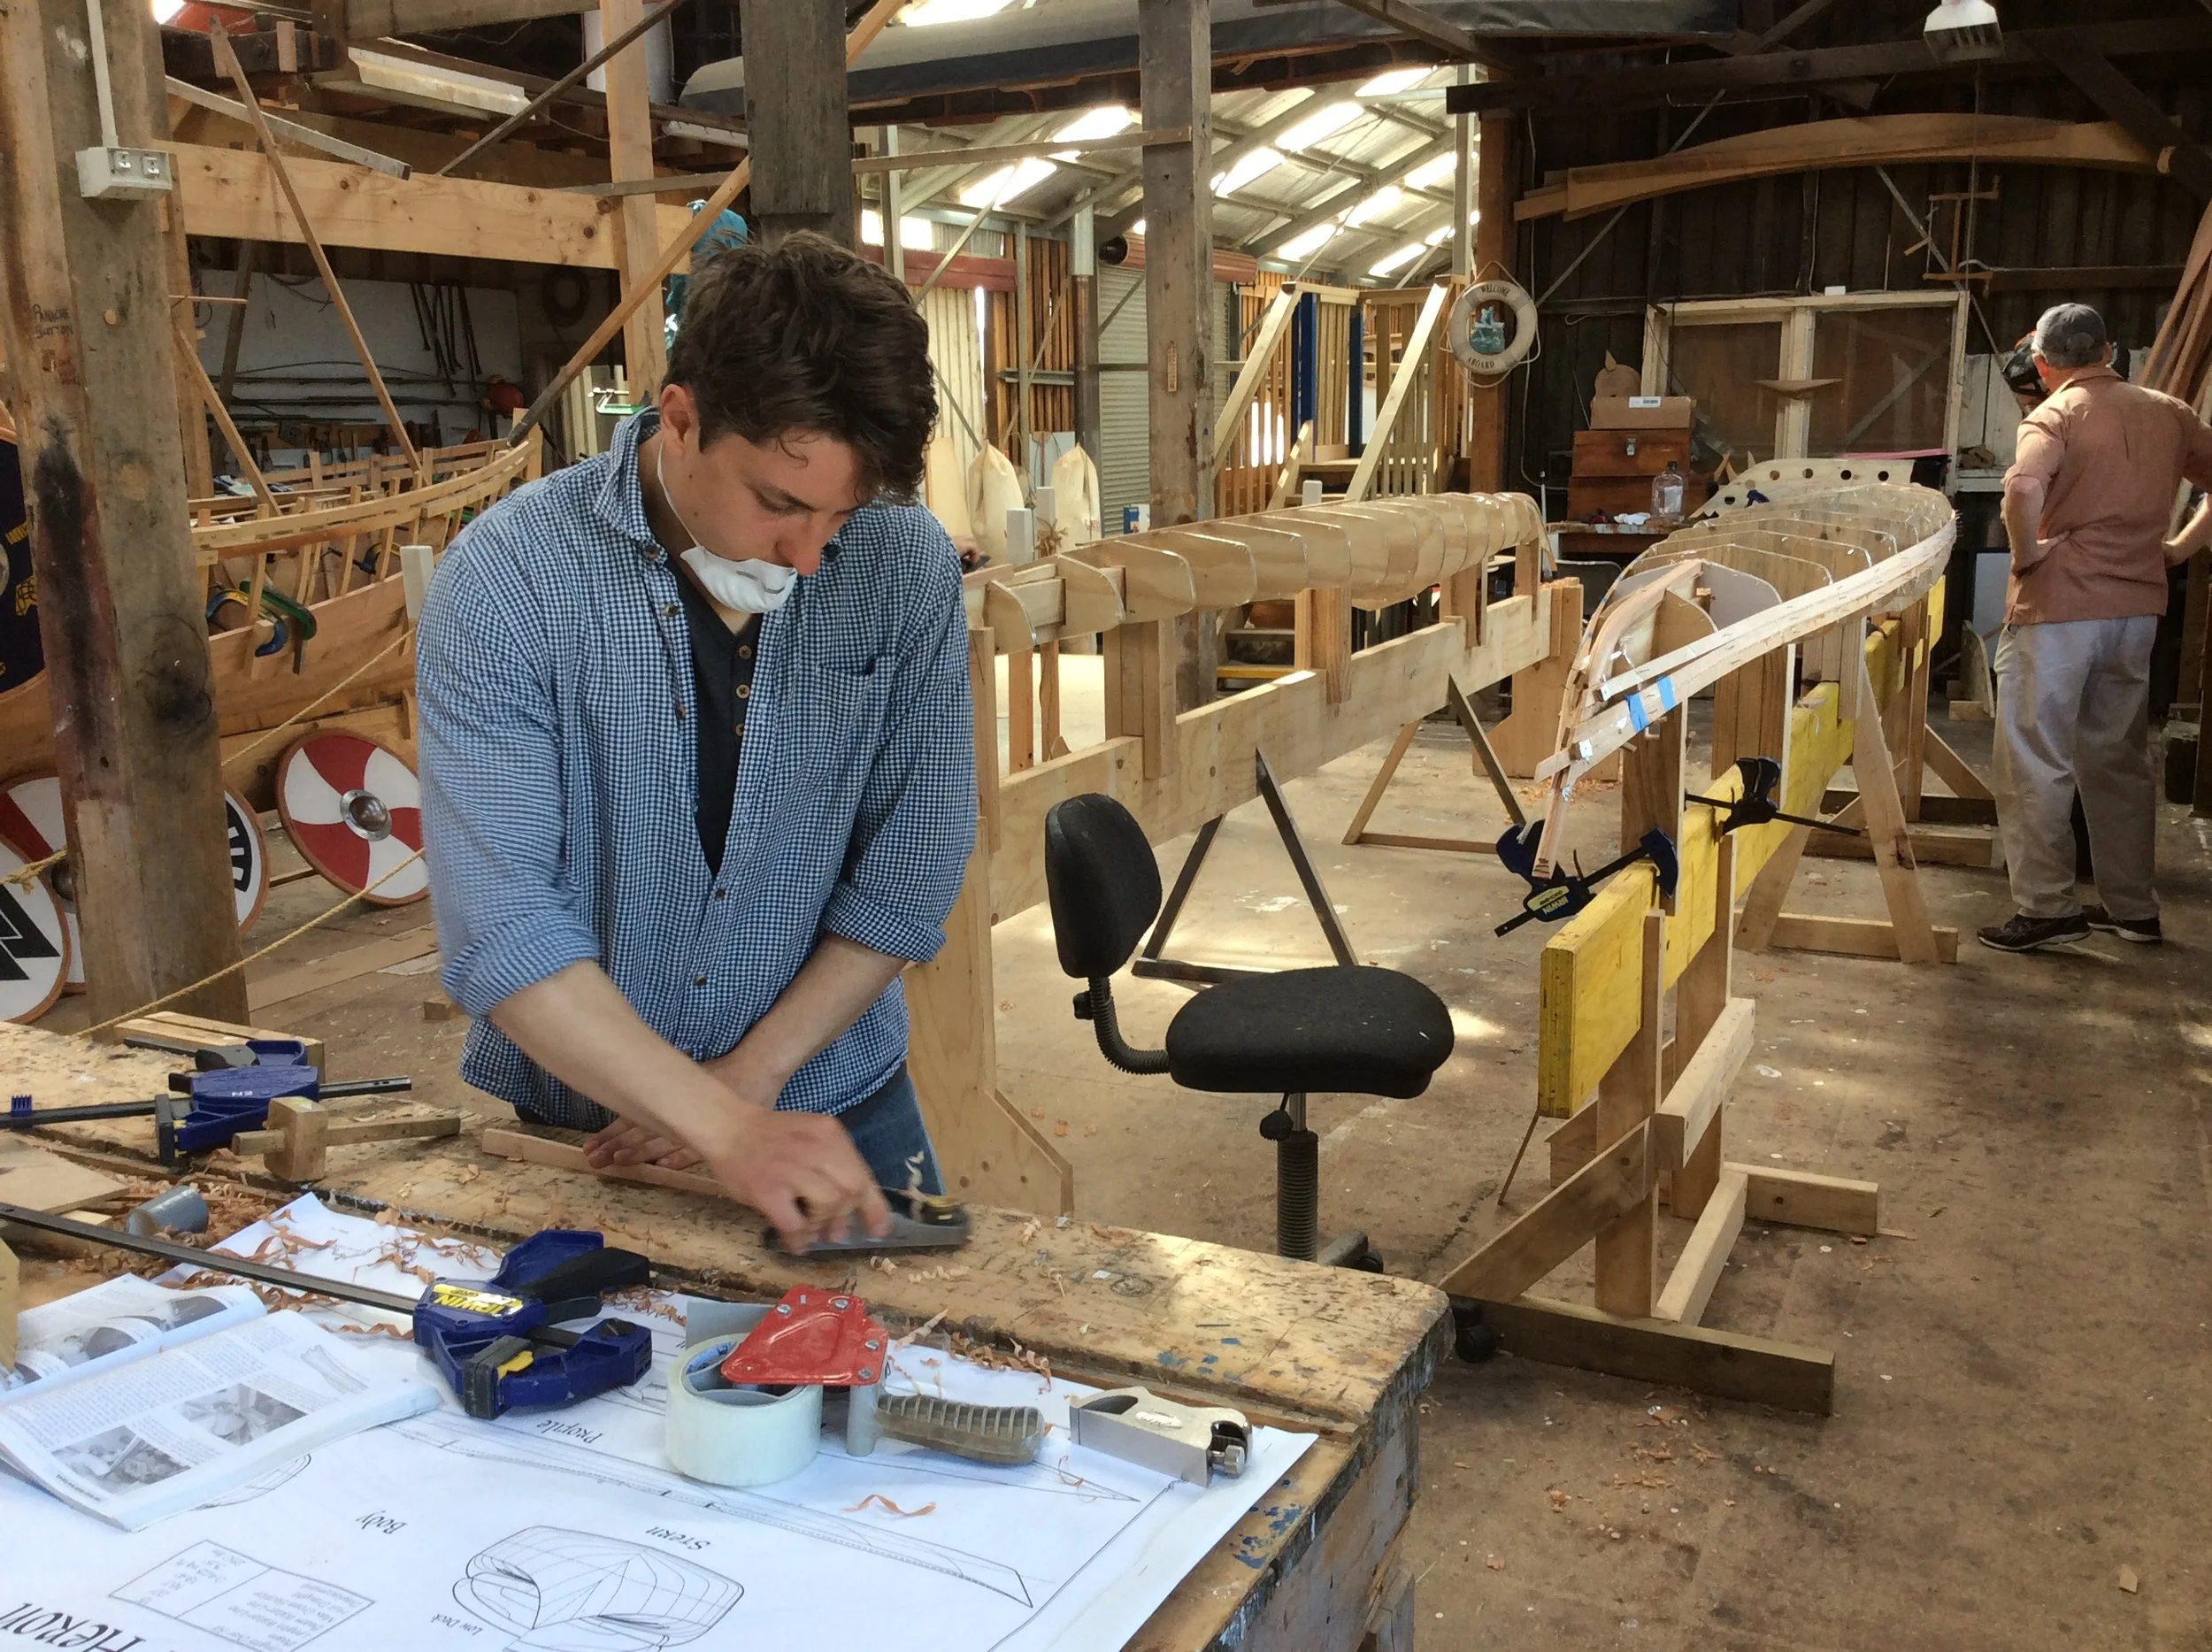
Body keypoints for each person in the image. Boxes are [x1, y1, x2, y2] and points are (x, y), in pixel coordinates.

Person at [416, 232, 976, 1248]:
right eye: (780, 504)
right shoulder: (509, 583)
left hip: (830, 1106)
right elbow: (501, 926)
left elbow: (909, 869)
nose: (811, 558)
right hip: (592, 1126)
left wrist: (747, 1090)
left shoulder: (902, 567)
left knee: (917, 1378)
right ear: (680, 420)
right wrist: (717, 1125)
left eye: (843, 515)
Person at [1979, 303, 2212, 953]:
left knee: (2034, 756)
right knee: (2117, 755)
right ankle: (2132, 907)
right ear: (2108, 350)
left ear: (2045, 363)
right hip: (2136, 608)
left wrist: (2026, 556)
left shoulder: (2053, 414)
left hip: (2058, 609)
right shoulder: (2170, 412)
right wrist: (2179, 547)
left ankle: (2047, 905)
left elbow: (2023, 489)